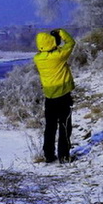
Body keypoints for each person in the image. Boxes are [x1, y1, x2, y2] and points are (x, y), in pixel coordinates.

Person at [33, 28, 75, 164]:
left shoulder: (38, 58)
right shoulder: (58, 55)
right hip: (63, 96)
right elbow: (71, 43)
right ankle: (64, 156)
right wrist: (61, 33)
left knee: (50, 127)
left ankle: (49, 155)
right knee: (65, 126)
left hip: (49, 97)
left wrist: (53, 43)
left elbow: (50, 49)